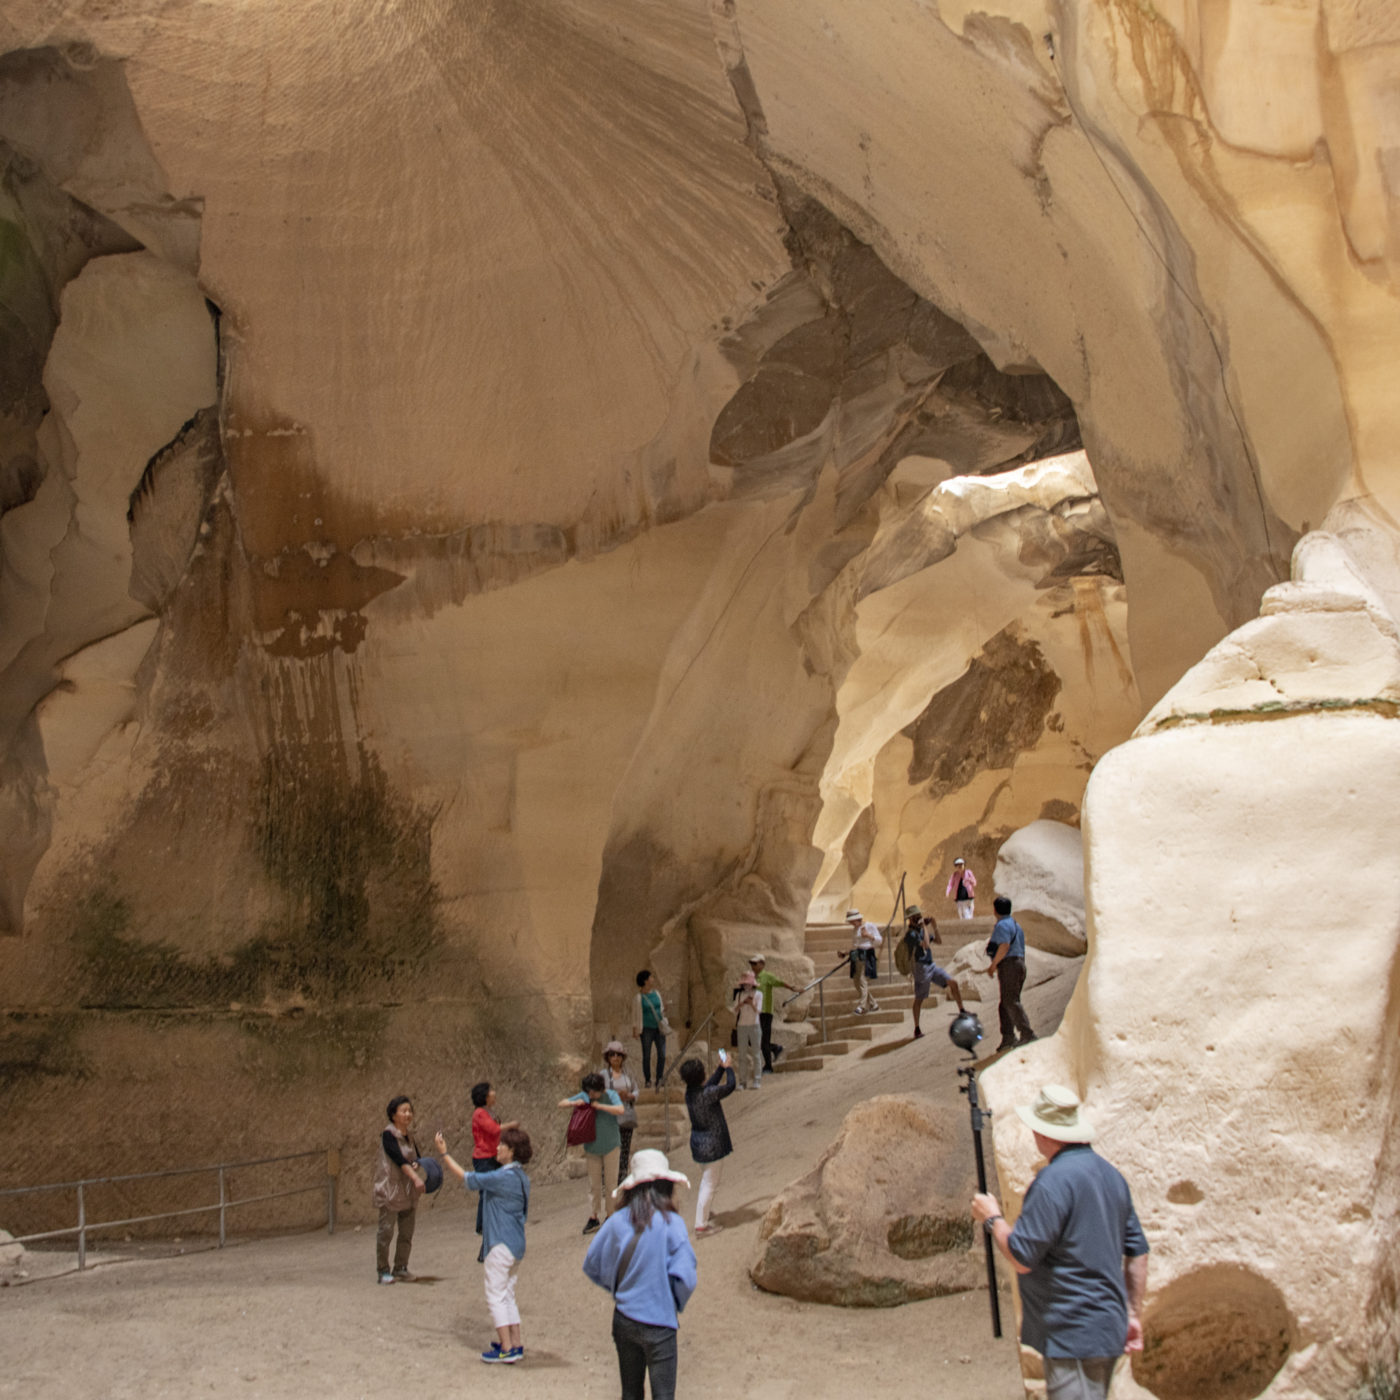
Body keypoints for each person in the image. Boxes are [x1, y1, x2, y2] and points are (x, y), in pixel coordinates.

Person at [970, 1085, 1149, 1400]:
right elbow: (1137, 1252)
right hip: (1108, 1326)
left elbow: (1021, 1257)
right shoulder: (1111, 1176)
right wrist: (1132, 1313)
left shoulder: (1052, 1183)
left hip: (1071, 1333)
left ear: (1043, 1132)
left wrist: (992, 1218)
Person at [582, 1149, 697, 1400]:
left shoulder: (617, 1221)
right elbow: (686, 1276)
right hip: (660, 1324)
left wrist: (618, 1288)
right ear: (667, 1186)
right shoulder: (673, 1223)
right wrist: (673, 1302)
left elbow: (592, 1262)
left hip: (625, 1319)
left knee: (630, 1393)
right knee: (663, 1395)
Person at [436, 1125, 534, 1365]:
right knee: (507, 1294)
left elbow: (467, 1178)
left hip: (500, 1244)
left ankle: (507, 1349)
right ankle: (515, 1344)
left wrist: (444, 1154)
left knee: (496, 1296)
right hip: (516, 1244)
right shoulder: (521, 1177)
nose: (498, 1148)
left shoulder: (503, 1177)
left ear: (511, 1151)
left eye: (502, 1145)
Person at [560, 1071, 627, 1233]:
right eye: (588, 1092)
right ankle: (594, 1216)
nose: (590, 1095)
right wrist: (574, 1102)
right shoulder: (586, 1095)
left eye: (593, 1092)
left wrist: (600, 1106)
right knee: (593, 1184)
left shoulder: (610, 1095)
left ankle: (611, 1214)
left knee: (611, 1183)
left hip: (611, 1145)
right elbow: (561, 1103)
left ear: (600, 1089)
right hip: (592, 1147)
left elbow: (620, 1110)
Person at [679, 1053, 735, 1236]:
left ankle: (705, 1212)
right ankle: (701, 1225)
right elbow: (730, 1086)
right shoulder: (707, 1094)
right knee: (709, 1184)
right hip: (712, 1146)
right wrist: (729, 1068)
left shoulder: (690, 1093)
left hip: (699, 1145)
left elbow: (709, 1086)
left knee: (707, 1181)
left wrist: (720, 1068)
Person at [373, 1094, 426, 1284]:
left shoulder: (410, 1136)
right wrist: (416, 1177)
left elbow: (416, 1158)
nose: (408, 1114)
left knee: (406, 1232)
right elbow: (399, 1159)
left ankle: (401, 1268)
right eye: (403, 1111)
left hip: (407, 1190)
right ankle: (383, 1271)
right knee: (386, 1232)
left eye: (410, 1110)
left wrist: (417, 1165)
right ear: (394, 1115)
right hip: (391, 1189)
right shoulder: (388, 1134)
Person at [469, 1081, 519, 1254]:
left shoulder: (489, 1111)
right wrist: (511, 1125)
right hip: (484, 1158)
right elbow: (493, 1130)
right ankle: (482, 1226)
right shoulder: (479, 1113)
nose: (494, 1093)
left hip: (493, 1156)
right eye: (491, 1091)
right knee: (487, 1193)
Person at [986, 894, 1036, 1052]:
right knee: (1005, 1003)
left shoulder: (1002, 926)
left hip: (1009, 966)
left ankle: (1027, 1033)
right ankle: (1007, 1037)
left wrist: (993, 965)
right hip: (1019, 964)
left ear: (995, 910)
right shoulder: (1015, 924)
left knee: (1011, 1002)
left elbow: (1004, 946)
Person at [906, 905, 965, 1039]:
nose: (919, 918)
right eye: (916, 917)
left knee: (952, 982)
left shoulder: (921, 930)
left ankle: (962, 1010)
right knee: (919, 999)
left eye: (919, 916)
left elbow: (938, 941)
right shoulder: (911, 934)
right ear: (911, 919)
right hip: (920, 968)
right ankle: (917, 1028)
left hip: (930, 965)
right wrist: (924, 927)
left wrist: (934, 925)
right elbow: (926, 945)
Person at [748, 954, 791, 1077]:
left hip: (765, 1013)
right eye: (751, 963)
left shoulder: (767, 976)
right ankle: (775, 1048)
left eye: (755, 963)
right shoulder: (752, 978)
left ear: (762, 964)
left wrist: (793, 988)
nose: (752, 966)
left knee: (763, 1040)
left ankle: (768, 1066)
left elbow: (779, 982)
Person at [602, 1041, 640, 1177]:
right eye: (612, 1054)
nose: (615, 1057)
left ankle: (622, 1175)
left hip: (625, 1115)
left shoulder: (628, 1074)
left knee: (624, 1147)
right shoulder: (603, 1075)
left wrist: (629, 1095)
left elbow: (636, 1090)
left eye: (618, 1054)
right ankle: (608, 1176)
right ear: (608, 1057)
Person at [842, 908, 882, 1014]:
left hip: (867, 955)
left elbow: (879, 941)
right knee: (857, 981)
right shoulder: (855, 930)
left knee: (862, 979)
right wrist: (846, 953)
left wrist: (868, 935)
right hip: (857, 955)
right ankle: (873, 1004)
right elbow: (856, 945)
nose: (851, 923)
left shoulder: (869, 926)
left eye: (852, 921)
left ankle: (862, 1006)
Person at [633, 970, 668, 1089]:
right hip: (646, 1029)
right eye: (651, 977)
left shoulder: (656, 993)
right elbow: (635, 1015)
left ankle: (659, 1078)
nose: (653, 979)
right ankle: (648, 1080)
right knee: (646, 1055)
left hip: (659, 1028)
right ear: (645, 981)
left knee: (662, 1054)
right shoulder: (638, 997)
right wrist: (635, 1029)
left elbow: (660, 1008)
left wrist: (664, 1010)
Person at [732, 970, 763, 1089]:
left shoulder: (758, 994)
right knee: (742, 1055)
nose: (746, 986)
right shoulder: (739, 995)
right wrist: (741, 1004)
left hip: (754, 1025)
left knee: (756, 1053)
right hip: (742, 1025)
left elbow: (758, 1011)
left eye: (748, 983)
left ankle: (757, 1080)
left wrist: (751, 1003)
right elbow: (734, 1010)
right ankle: (742, 1081)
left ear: (752, 984)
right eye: (745, 984)